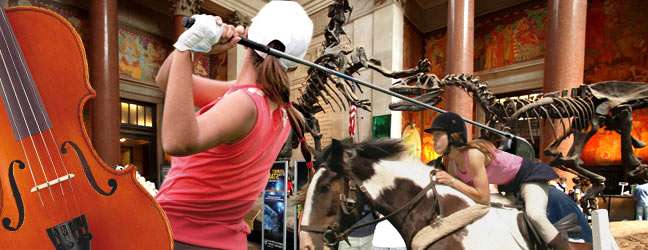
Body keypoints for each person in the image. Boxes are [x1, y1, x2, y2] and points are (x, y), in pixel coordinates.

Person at [154, 2, 313, 249]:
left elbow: (177, 141)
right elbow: (166, 79)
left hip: (181, 237)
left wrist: (188, 47)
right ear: (293, 65)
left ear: (248, 34)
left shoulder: (245, 103)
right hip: (220, 241)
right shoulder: (274, 107)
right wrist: (191, 46)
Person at [428, 112, 567, 250]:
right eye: (434, 136)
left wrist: (451, 181)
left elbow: (483, 197)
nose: (434, 140)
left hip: (529, 176)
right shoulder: (453, 165)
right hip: (509, 187)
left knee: (535, 215)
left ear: (453, 136)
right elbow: (461, 195)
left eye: (438, 135)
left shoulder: (473, 155)